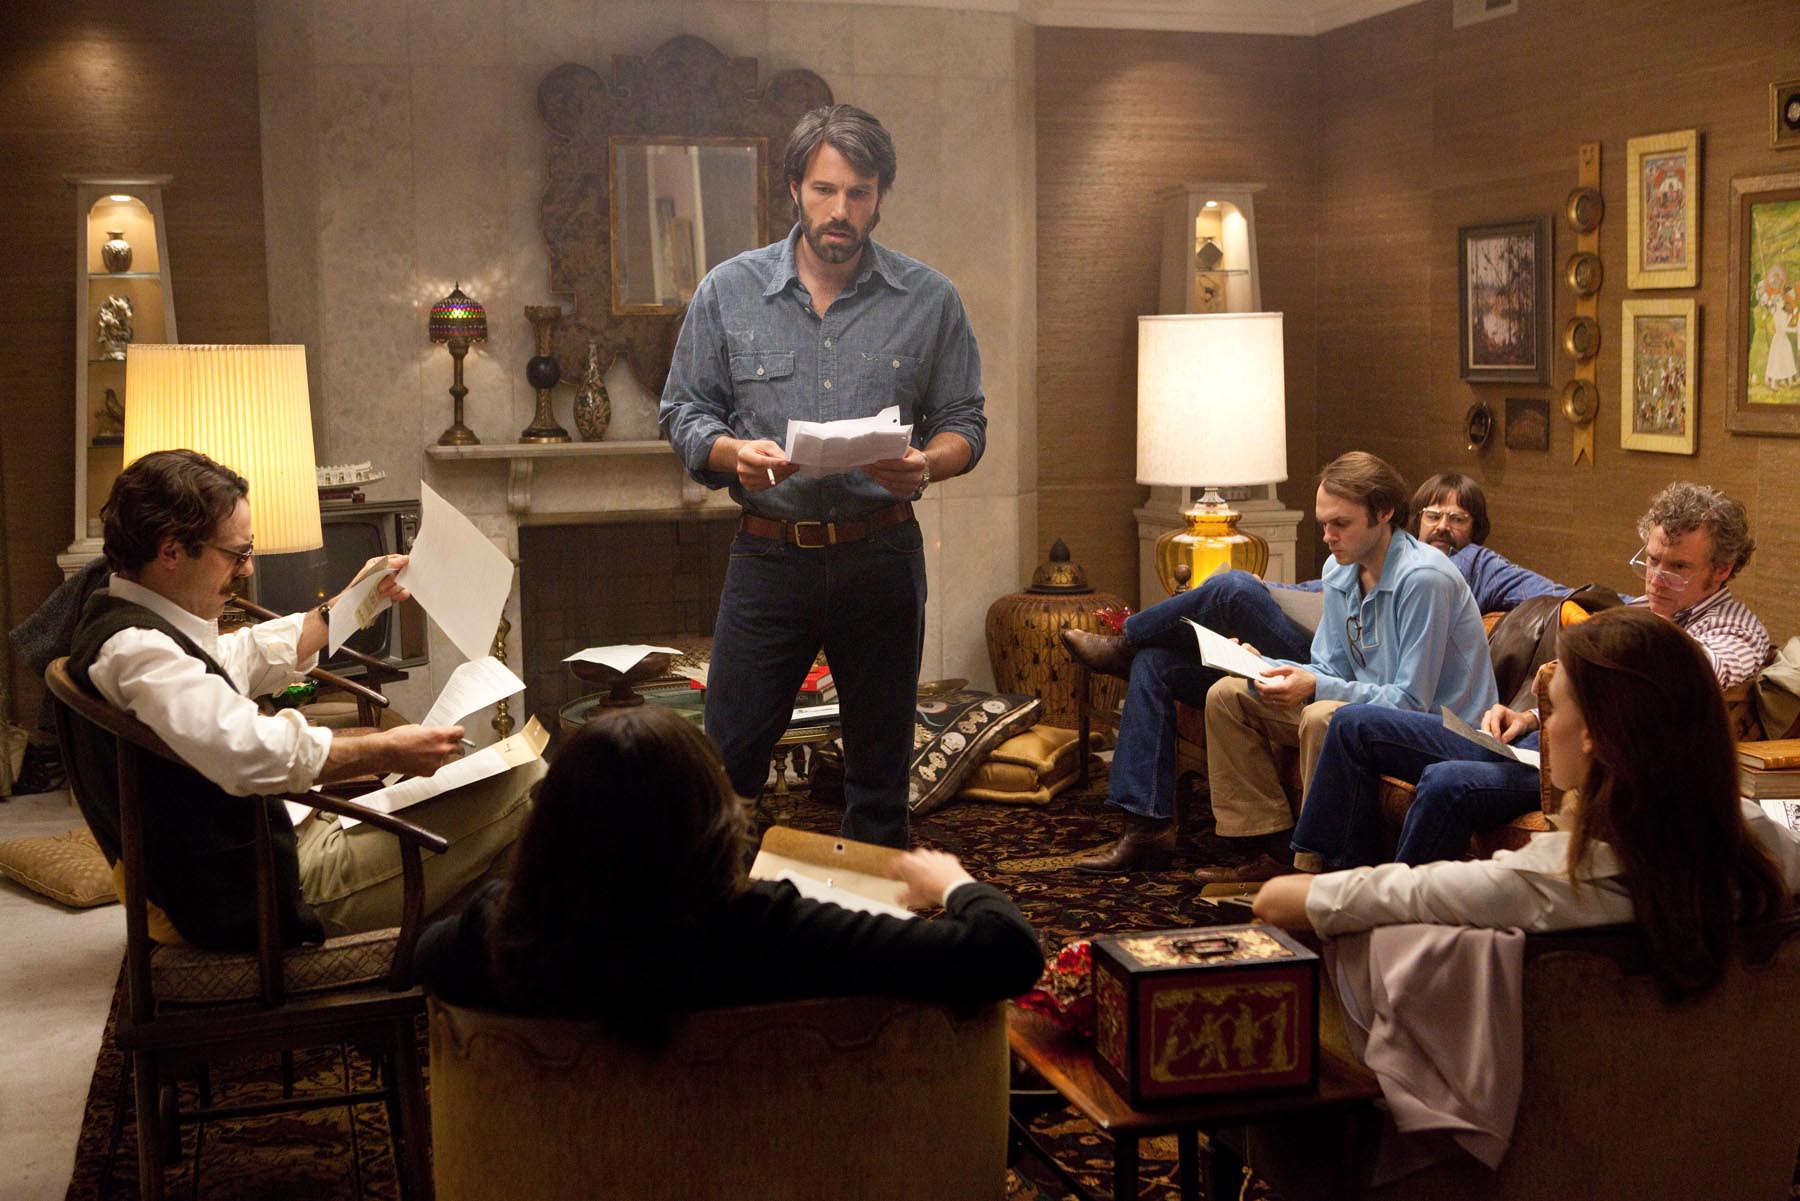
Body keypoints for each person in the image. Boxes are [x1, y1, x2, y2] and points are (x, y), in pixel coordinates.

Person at [658, 104, 985, 850]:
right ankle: (713, 908)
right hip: (770, 556)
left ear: (880, 195)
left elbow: (965, 421)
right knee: (725, 765)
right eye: (825, 190)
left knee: (880, 780)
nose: (841, 210)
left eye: (859, 193)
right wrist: (730, 453)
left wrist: (925, 464)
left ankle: (871, 917)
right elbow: (682, 411)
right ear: (795, 189)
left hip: (882, 554)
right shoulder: (728, 290)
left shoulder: (930, 298)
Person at [59, 449, 541, 950]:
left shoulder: (130, 624)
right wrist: (387, 751)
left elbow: (239, 657)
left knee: (507, 822)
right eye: (236, 554)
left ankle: (478, 955)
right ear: (171, 552)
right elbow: (249, 751)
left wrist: (356, 601)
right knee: (525, 780)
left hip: (271, 854)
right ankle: (486, 959)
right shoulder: (138, 653)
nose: (247, 568)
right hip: (272, 891)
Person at [1256, 606, 1798, 1004]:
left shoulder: (1541, 883)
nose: (1547, 730)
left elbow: (1279, 903)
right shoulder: (1769, 852)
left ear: (1593, 735)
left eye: (1552, 712)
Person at [415, 705, 1045, 1032]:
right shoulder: (774, 928)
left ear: (551, 828)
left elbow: (426, 958)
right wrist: (954, 883)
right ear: (713, 818)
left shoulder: (501, 933)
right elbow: (1008, 954)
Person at [1059, 471, 1557, 876]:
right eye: (1323, 523)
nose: (1327, 536)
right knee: (1230, 694)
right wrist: (1266, 665)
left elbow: (1410, 701)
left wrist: (1315, 684)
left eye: (1340, 524)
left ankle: (1313, 866)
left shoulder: (1425, 578)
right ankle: (1265, 846)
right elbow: (1329, 665)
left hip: (1433, 724)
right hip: (1362, 699)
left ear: (1384, 513)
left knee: (1322, 716)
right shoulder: (1341, 569)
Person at [1292, 481, 1773, 873]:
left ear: (1721, 570)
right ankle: (1333, 877)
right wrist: (1526, 714)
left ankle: (1396, 918)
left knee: (1446, 782)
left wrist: (1609, 650)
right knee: (1352, 723)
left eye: (1678, 567)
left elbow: (1684, 678)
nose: (1657, 578)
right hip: (1530, 742)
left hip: (1591, 769)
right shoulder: (1641, 610)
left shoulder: (1732, 628)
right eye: (1652, 560)